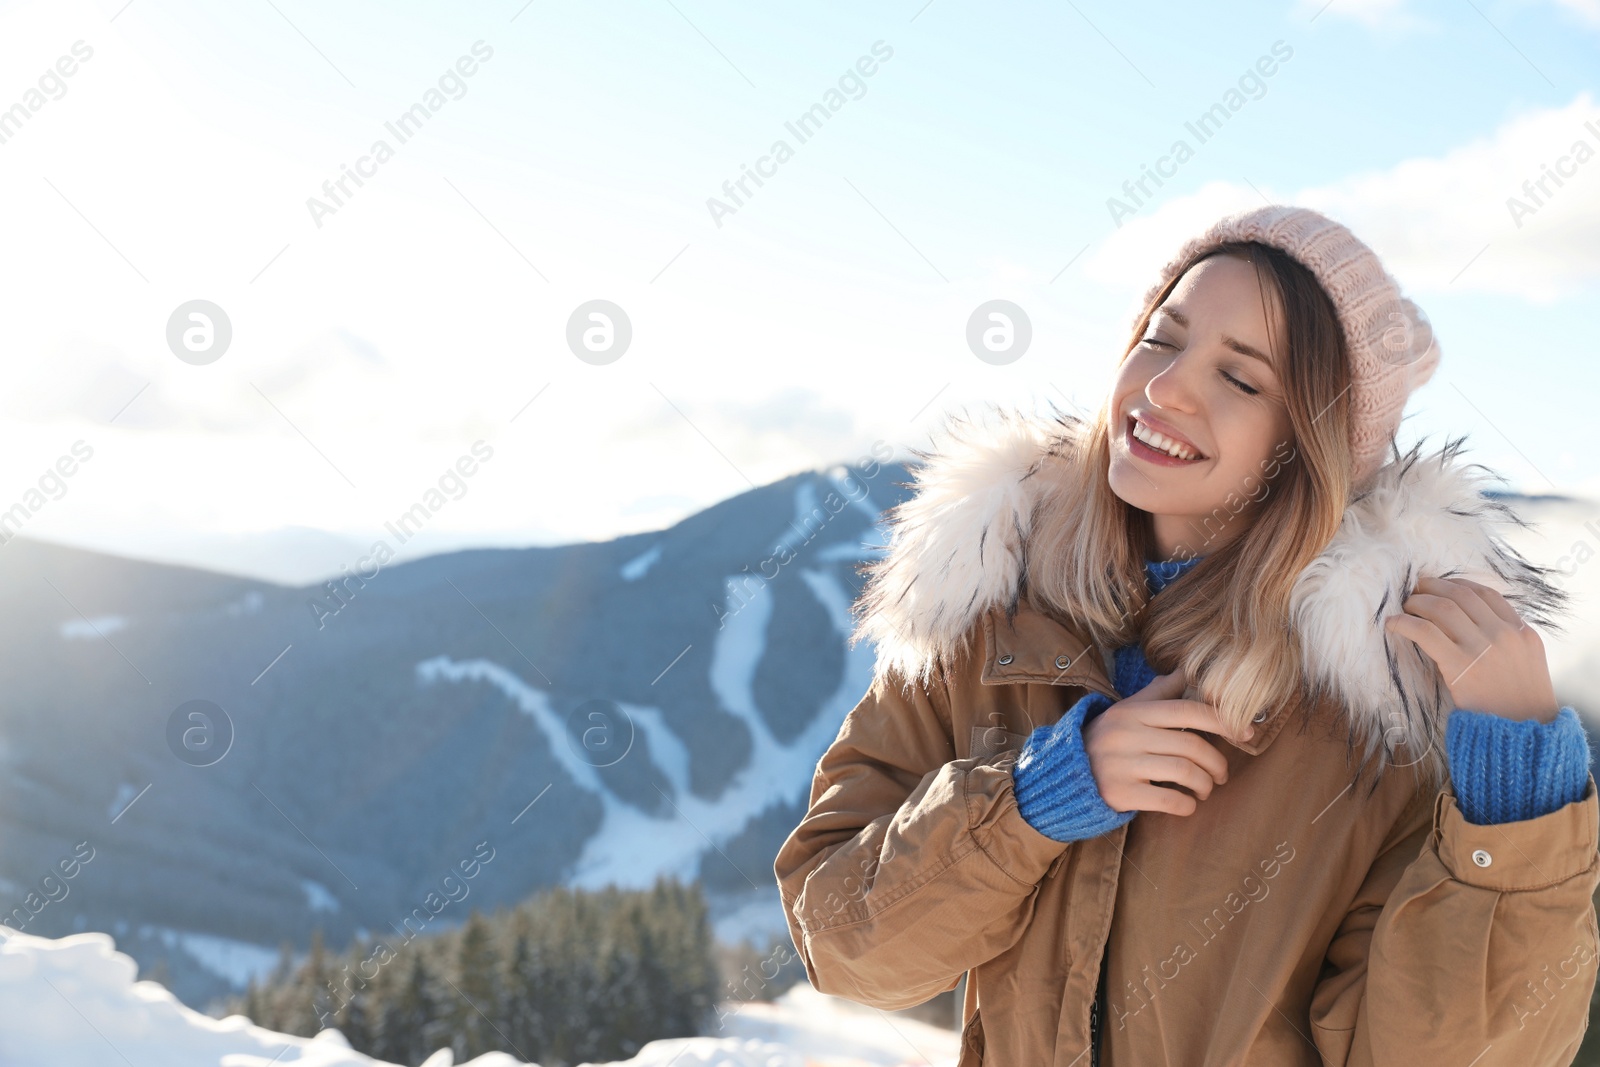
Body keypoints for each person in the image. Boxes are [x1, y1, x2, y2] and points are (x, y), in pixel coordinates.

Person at [773, 204, 1599, 1066]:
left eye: (1241, 380)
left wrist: (1517, 806)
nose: (1166, 389)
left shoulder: (1388, 708)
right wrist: (1038, 797)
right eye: (1162, 340)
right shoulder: (987, 610)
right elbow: (842, 945)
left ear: (1310, 446)